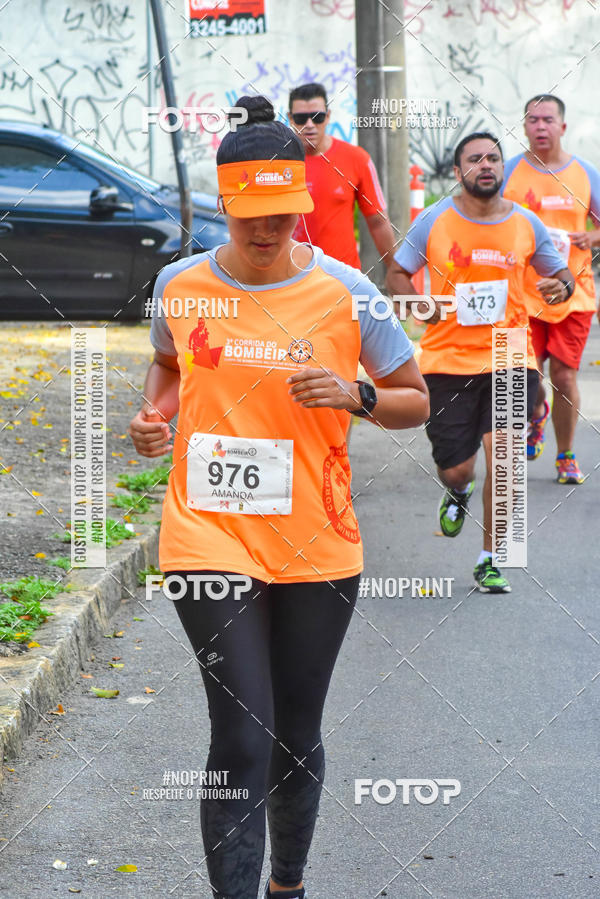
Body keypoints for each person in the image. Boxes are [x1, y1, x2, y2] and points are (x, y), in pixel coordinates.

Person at [129, 95, 429, 899]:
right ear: (227, 203)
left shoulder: (346, 292)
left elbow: (415, 399)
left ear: (302, 202)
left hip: (316, 538)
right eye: (252, 215)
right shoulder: (179, 284)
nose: (268, 231)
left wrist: (353, 393)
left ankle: (286, 883)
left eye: (284, 215)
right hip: (208, 533)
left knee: (295, 735)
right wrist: (153, 418)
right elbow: (166, 365)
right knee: (241, 734)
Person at [386, 132, 573, 594]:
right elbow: (396, 273)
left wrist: (561, 287)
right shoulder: (434, 220)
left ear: (502, 167)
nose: (486, 165)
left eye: (493, 158)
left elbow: (563, 274)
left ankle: (489, 558)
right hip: (446, 359)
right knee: (459, 468)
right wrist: (417, 305)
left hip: (511, 353)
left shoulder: (527, 223)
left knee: (505, 459)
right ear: (458, 171)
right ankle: (457, 492)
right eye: (475, 159)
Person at [502, 93, 600, 484]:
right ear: (524, 126)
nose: (540, 127)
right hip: (521, 296)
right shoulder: (508, 173)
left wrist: (592, 240)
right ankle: (536, 411)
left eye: (547, 120)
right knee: (523, 376)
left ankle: (566, 455)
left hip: (573, 293)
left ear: (562, 126)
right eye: (532, 120)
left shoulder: (586, 174)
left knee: (563, 376)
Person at [287, 82, 396, 270]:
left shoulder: (356, 159)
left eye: (317, 117)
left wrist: (396, 270)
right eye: (301, 118)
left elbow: (378, 222)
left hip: (343, 278)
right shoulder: (279, 160)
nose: (310, 125)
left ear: (328, 116)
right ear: (290, 118)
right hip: (292, 276)